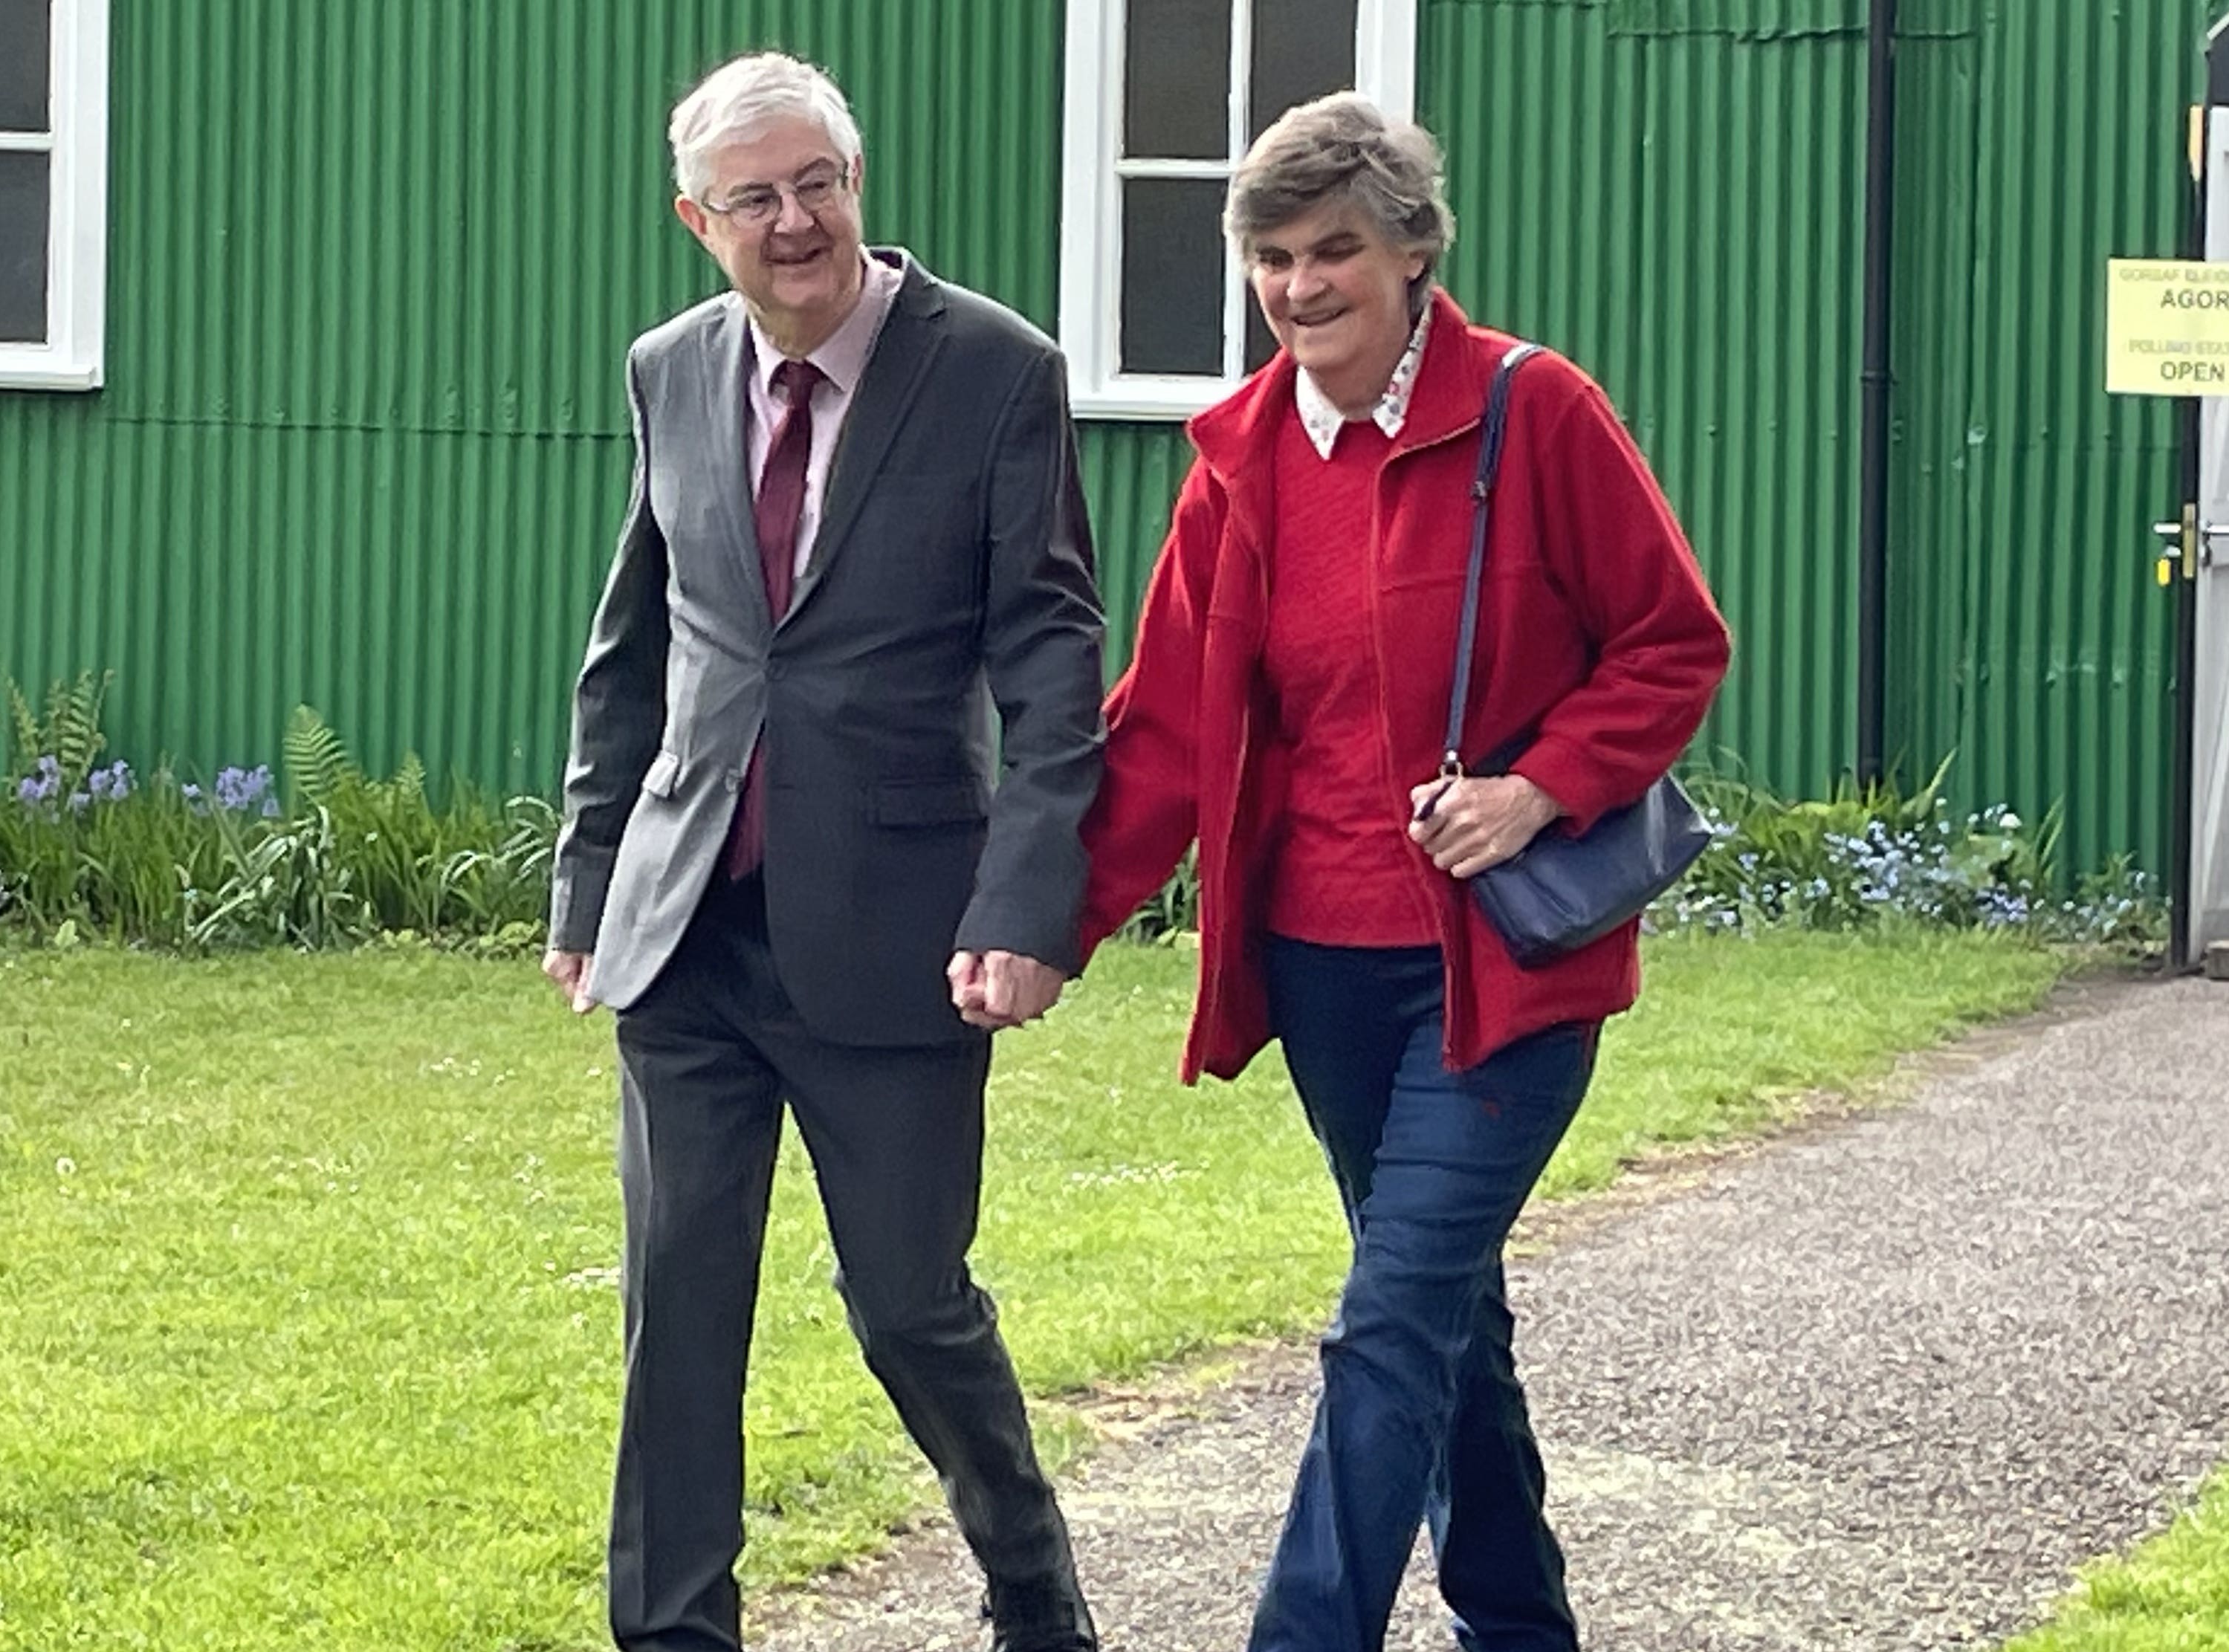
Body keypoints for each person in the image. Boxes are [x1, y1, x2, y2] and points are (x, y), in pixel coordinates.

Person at [1075, 93, 1731, 1652]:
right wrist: (1035, 923)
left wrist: (1536, 786)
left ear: (1416, 249)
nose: (1300, 287)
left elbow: (1672, 639)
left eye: (1334, 252)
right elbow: (1164, 724)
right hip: (1326, 967)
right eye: (1272, 259)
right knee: (1442, 1316)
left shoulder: (1533, 410)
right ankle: (1520, 1622)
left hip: (1505, 964)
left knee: (1387, 1323)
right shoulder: (1235, 460)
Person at [540, 51, 1105, 1652]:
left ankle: (1033, 1590)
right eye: (755, 198)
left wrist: (1028, 900)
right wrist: (588, 879)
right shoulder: (668, 368)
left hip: (901, 932)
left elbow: (1052, 653)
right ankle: (671, 1632)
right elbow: (632, 645)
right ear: (696, 221)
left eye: (818, 184)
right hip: (688, 931)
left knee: (913, 1307)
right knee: (680, 1318)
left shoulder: (994, 369)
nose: (796, 222)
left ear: (857, 183)